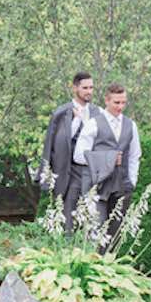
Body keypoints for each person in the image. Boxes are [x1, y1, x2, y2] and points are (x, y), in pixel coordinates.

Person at [75, 83, 141, 243]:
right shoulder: (93, 124)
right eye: (116, 103)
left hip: (121, 187)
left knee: (115, 237)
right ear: (107, 100)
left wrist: (132, 181)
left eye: (123, 102)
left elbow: (134, 156)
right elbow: (78, 155)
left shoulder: (131, 125)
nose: (120, 107)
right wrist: (108, 158)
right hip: (96, 188)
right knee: (95, 236)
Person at [39, 72, 96, 234]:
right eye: (85, 88)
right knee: (66, 221)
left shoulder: (98, 113)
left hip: (89, 173)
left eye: (91, 87)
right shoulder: (60, 113)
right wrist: (45, 175)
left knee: (90, 222)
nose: (89, 91)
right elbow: (50, 144)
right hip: (66, 173)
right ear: (75, 88)